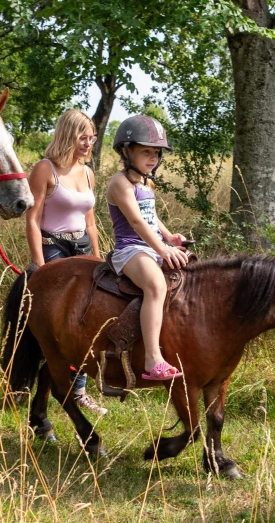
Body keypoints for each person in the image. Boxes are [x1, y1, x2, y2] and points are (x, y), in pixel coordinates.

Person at [24, 109, 107, 415]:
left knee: (89, 317)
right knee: (61, 324)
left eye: (92, 137)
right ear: (68, 135)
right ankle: (48, 383)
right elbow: (31, 220)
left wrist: (97, 259)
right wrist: (40, 266)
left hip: (83, 245)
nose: (89, 143)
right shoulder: (45, 169)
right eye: (83, 137)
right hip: (53, 247)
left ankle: (81, 389)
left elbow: (91, 221)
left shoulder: (87, 173)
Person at [106, 115, 190, 381]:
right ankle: (152, 359)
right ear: (126, 151)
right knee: (156, 286)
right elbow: (136, 221)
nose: (153, 158)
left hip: (151, 246)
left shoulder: (146, 183)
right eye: (146, 152)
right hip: (131, 250)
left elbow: (152, 218)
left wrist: (170, 237)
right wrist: (164, 249)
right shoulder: (120, 183)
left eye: (156, 153)